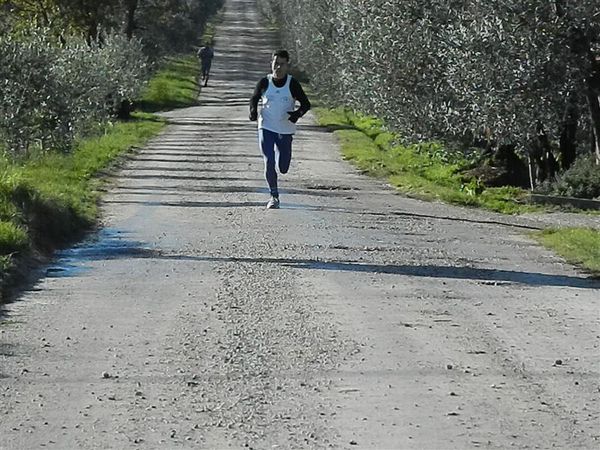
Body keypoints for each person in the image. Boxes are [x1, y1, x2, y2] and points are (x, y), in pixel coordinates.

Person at [249, 49, 311, 209]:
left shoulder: (292, 83)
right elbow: (254, 98)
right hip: (266, 126)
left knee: (283, 167)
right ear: (271, 63)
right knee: (268, 161)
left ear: (287, 66)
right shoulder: (264, 82)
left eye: (282, 64)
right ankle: (274, 196)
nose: (278, 67)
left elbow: (306, 104)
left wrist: (297, 114)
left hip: (285, 129)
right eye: (275, 63)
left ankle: (281, 161)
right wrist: (253, 111)